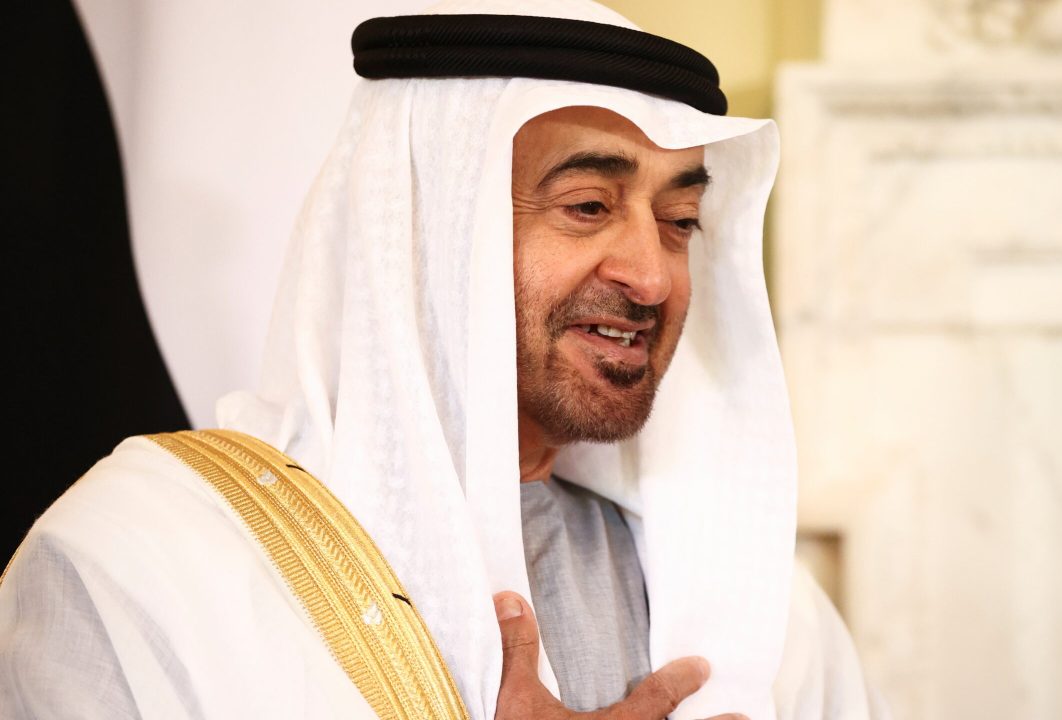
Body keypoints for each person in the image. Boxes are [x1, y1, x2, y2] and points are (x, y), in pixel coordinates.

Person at [0, 1, 888, 718]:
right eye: (585, 205)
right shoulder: (141, 566)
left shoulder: (753, 603)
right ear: (425, 231)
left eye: (679, 221)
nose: (652, 275)